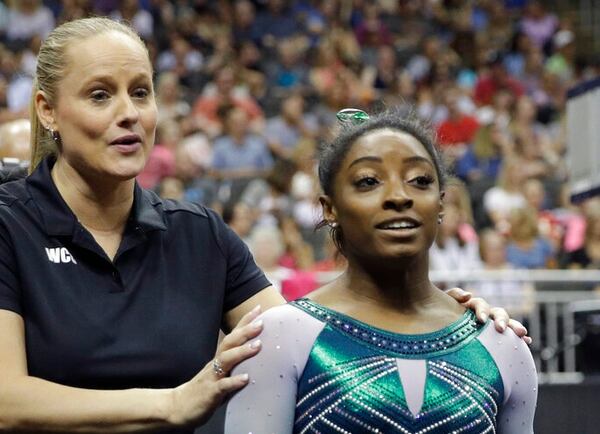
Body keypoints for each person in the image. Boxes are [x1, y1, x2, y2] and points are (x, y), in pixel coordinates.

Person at [0, 18, 526, 433]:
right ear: (48, 111)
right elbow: (7, 401)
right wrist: (171, 405)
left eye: (141, 92)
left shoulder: (199, 235)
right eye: (100, 95)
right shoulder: (9, 224)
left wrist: (436, 316)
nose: (129, 113)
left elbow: (308, 341)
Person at [225, 109, 537, 433]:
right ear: (330, 208)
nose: (399, 196)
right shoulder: (279, 336)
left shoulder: (502, 346)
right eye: (368, 181)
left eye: (419, 180)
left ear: (441, 203)